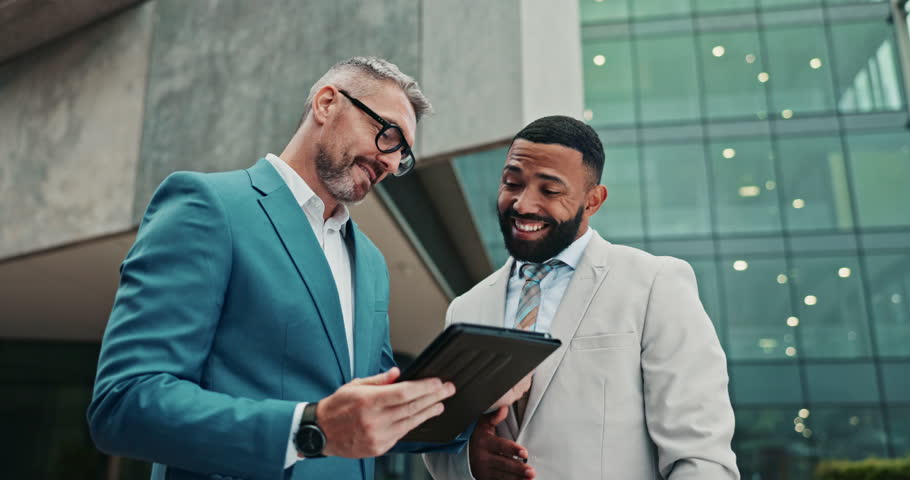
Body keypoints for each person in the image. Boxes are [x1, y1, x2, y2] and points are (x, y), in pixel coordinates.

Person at [87, 56, 524, 480]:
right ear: (327, 103)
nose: (392, 162)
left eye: (403, 155)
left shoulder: (370, 262)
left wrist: (473, 408)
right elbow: (124, 402)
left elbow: (375, 412)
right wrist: (309, 428)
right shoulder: (208, 206)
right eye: (388, 134)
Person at [423, 115, 740, 479]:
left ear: (593, 201)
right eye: (512, 183)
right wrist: (469, 464)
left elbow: (700, 456)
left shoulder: (655, 284)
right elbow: (437, 442)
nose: (523, 204)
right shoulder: (466, 307)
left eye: (550, 191)